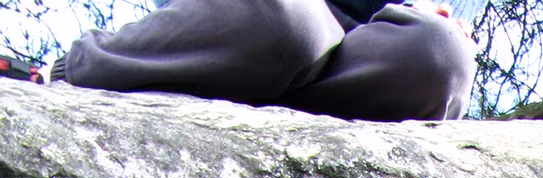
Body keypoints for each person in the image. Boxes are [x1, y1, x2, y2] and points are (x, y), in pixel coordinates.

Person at [55, 0, 474, 122]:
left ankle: (270, 100)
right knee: (288, 24)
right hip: (265, 16)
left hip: (362, 45)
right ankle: (85, 66)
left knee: (440, 53)